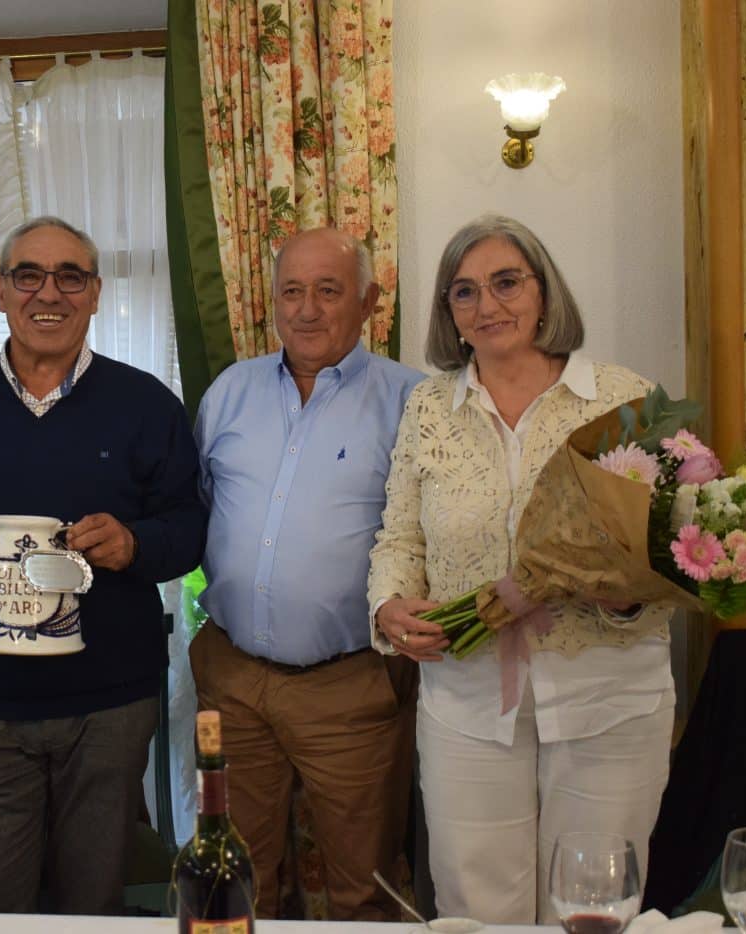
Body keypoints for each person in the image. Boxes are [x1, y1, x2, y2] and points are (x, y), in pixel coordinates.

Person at [0, 215, 206, 915]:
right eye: (28, 274)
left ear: (96, 294)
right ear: (1, 292)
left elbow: (188, 530)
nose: (49, 292)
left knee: (91, 899)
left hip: (111, 703)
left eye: (71, 276)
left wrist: (134, 544)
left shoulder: (147, 404)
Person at [368, 215, 674, 923]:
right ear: (449, 311)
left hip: (609, 698)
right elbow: (400, 538)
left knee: (592, 908)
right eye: (464, 292)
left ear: (544, 291)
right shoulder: (428, 408)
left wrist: (627, 594)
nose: (488, 305)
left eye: (506, 282)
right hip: (467, 701)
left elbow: (668, 553)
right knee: (477, 909)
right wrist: (389, 606)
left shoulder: (624, 398)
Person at [191, 227, 424, 920]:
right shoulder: (229, 392)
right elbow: (200, 511)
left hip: (351, 687)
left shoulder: (414, 401)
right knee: (235, 874)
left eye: (329, 290)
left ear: (369, 302)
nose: (308, 309)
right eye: (292, 291)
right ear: (272, 302)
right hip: (232, 680)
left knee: (364, 886)